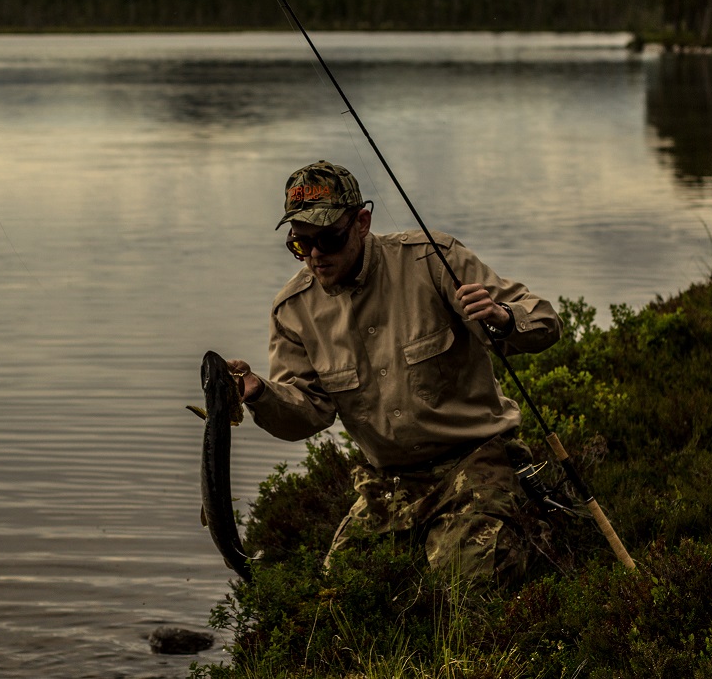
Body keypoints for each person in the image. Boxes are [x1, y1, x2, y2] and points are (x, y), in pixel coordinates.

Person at [228, 160, 561, 584]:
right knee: (338, 600)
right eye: (300, 244)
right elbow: (308, 412)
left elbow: (545, 321)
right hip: (386, 484)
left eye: (328, 239)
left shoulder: (432, 259)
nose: (315, 255)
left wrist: (503, 317)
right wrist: (261, 392)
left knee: (469, 589)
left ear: (362, 222)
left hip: (476, 461)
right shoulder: (292, 310)